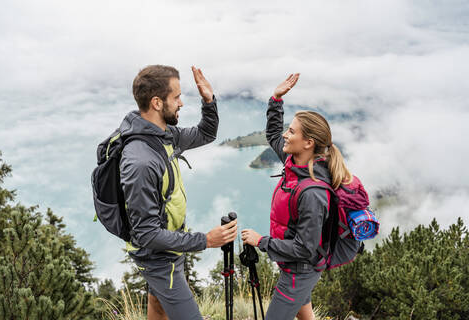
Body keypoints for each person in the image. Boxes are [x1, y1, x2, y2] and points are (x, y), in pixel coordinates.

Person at [119, 65, 237, 320]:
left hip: (168, 247)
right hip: (159, 257)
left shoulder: (163, 136)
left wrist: (208, 101)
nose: (182, 103)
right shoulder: (141, 161)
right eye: (177, 97)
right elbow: (147, 234)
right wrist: (205, 240)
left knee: (158, 308)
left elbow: (206, 134)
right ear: (157, 103)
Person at [241, 73, 353, 320]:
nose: (285, 135)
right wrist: (276, 99)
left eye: (291, 131)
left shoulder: (313, 192)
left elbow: (304, 248)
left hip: (299, 270)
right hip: (295, 266)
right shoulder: (295, 165)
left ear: (308, 143)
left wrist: (261, 241)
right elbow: (273, 134)